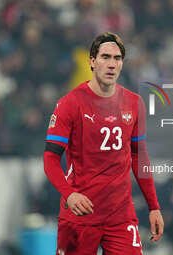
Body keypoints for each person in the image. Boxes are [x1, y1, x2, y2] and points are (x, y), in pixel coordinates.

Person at [43, 32, 164, 255]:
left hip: (120, 217)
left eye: (117, 59)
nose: (111, 64)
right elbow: (50, 158)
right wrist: (69, 194)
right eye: (105, 57)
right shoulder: (69, 104)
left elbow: (139, 156)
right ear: (92, 61)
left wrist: (154, 206)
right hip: (80, 215)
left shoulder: (134, 103)